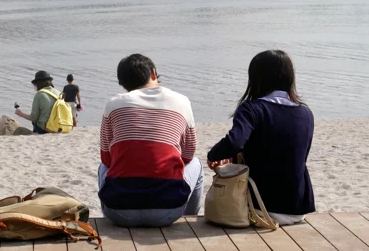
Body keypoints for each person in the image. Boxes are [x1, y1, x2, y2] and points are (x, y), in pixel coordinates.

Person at [207, 50, 315, 226]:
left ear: (255, 78)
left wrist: (213, 155)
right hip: (297, 208)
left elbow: (234, 141)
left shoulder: (251, 109)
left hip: (261, 206)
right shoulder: (305, 113)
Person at [97, 54, 203, 227]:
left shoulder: (113, 104)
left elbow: (106, 159)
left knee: (103, 167)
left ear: (122, 84)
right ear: (153, 73)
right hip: (169, 211)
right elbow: (188, 155)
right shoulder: (182, 102)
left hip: (118, 213)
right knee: (197, 164)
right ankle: (188, 220)